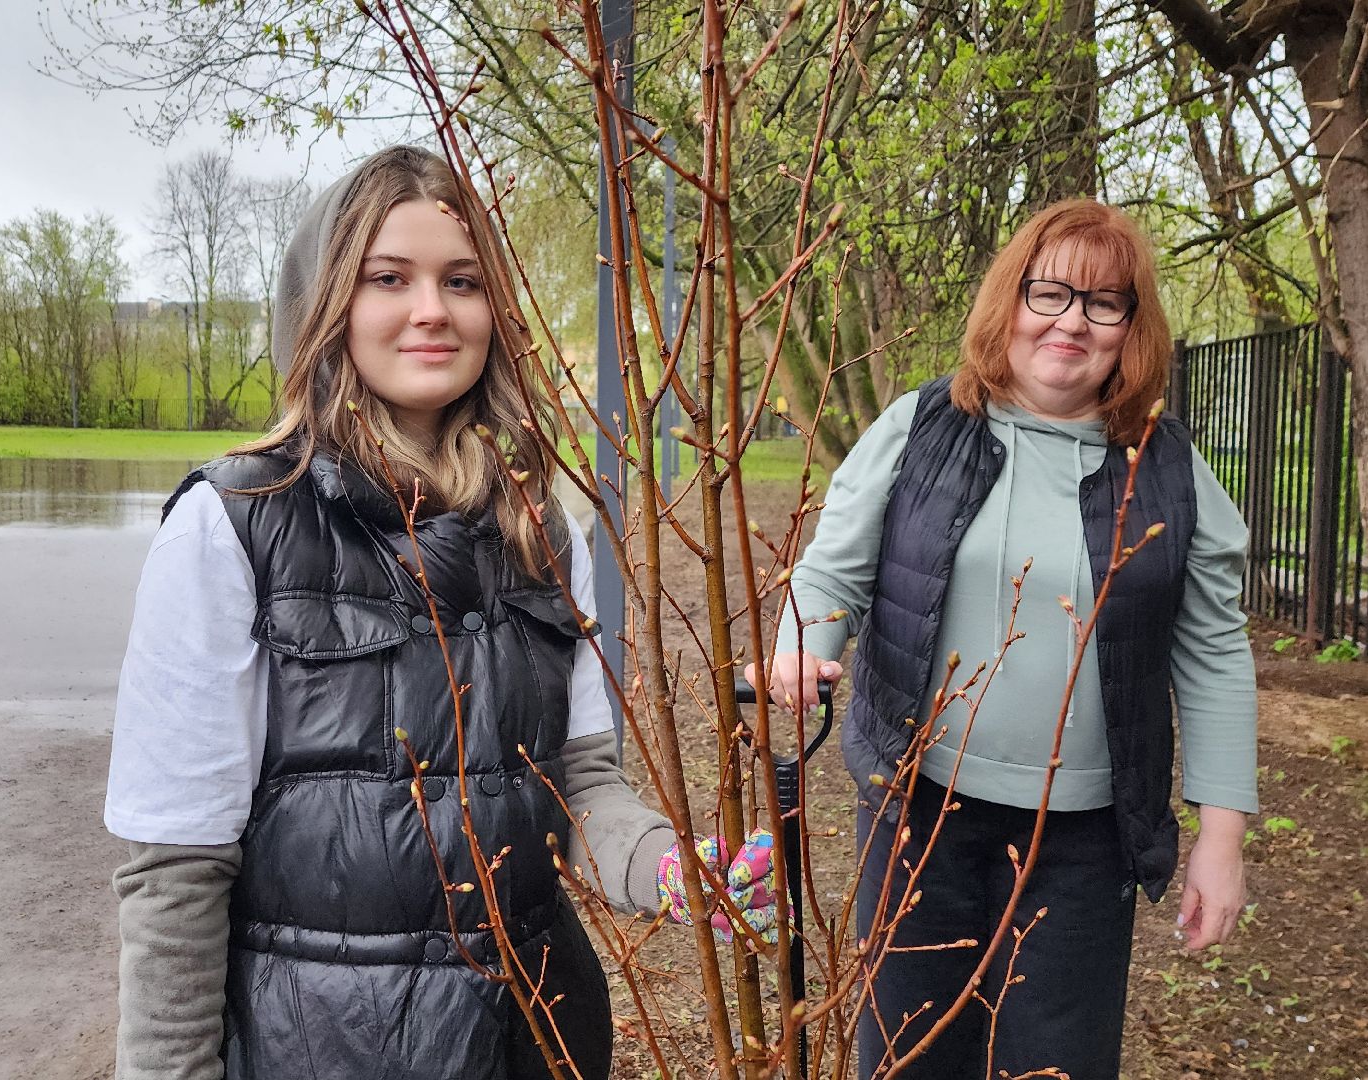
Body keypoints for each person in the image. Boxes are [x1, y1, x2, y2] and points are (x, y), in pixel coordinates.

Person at [105, 145, 778, 1080]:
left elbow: (579, 787)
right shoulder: (232, 528)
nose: (433, 310)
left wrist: (672, 871)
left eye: (462, 281)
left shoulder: (542, 525)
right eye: (390, 278)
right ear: (327, 303)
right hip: (321, 1051)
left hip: (535, 1041)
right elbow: (176, 867)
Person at [748, 200, 1257, 1078]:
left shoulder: (1167, 468)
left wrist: (1222, 837)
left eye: (1105, 303)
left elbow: (1214, 652)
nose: (1071, 322)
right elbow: (834, 572)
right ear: (1007, 303)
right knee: (907, 1057)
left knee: (1053, 1064)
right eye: (1048, 292)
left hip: (1085, 843)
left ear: (1130, 330)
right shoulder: (924, 428)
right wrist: (804, 644)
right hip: (919, 814)